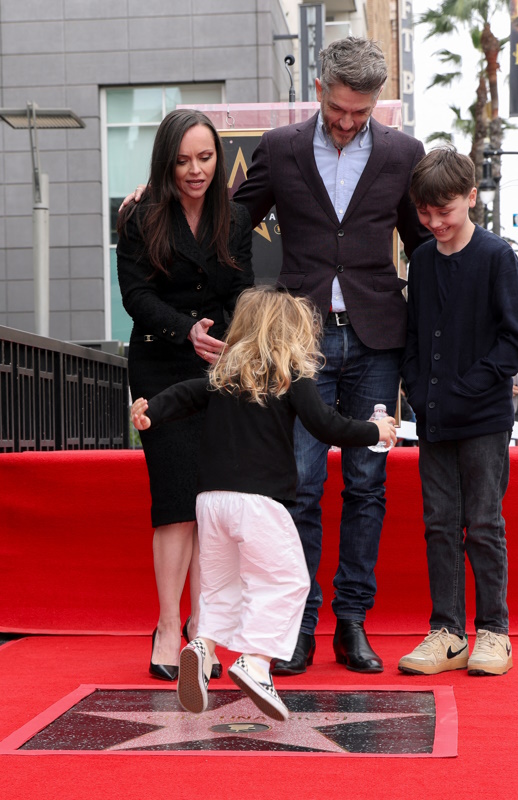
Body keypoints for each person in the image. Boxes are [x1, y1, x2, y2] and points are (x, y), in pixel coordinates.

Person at [123, 39, 430, 676]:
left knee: (368, 483)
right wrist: (154, 195)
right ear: (320, 89)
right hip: (297, 341)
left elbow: (421, 240)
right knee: (298, 484)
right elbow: (230, 213)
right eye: (341, 108)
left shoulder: (403, 153)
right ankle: (297, 629)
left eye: (362, 112)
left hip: (377, 335)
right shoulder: (284, 147)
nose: (349, 122)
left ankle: (353, 623)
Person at [129, 286, 397, 721]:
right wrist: (375, 430)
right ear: (292, 333)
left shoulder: (223, 376)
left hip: (210, 502)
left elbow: (184, 394)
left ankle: (201, 645)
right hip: (259, 503)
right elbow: (326, 424)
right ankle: (255, 662)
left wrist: (150, 412)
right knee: (289, 580)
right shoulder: (291, 377)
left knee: (220, 585)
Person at [116, 108, 254, 681]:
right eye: (181, 160)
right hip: (161, 366)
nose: (195, 171)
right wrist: (184, 328)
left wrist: (235, 340)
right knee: (174, 499)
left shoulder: (237, 217)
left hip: (218, 371)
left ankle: (205, 630)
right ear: (165, 162)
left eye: (204, 158)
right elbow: (134, 295)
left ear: (218, 159)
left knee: (209, 505)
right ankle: (169, 626)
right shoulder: (139, 217)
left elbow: (243, 290)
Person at [398, 147, 518, 678]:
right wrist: (416, 383)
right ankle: (448, 632)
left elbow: (515, 339)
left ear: (471, 197)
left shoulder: (497, 256)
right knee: (438, 523)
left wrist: (465, 387)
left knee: (483, 522)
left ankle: (494, 632)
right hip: (433, 418)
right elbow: (413, 333)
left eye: (444, 211)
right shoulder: (423, 260)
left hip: (482, 418)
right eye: (425, 214)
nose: (434, 223)